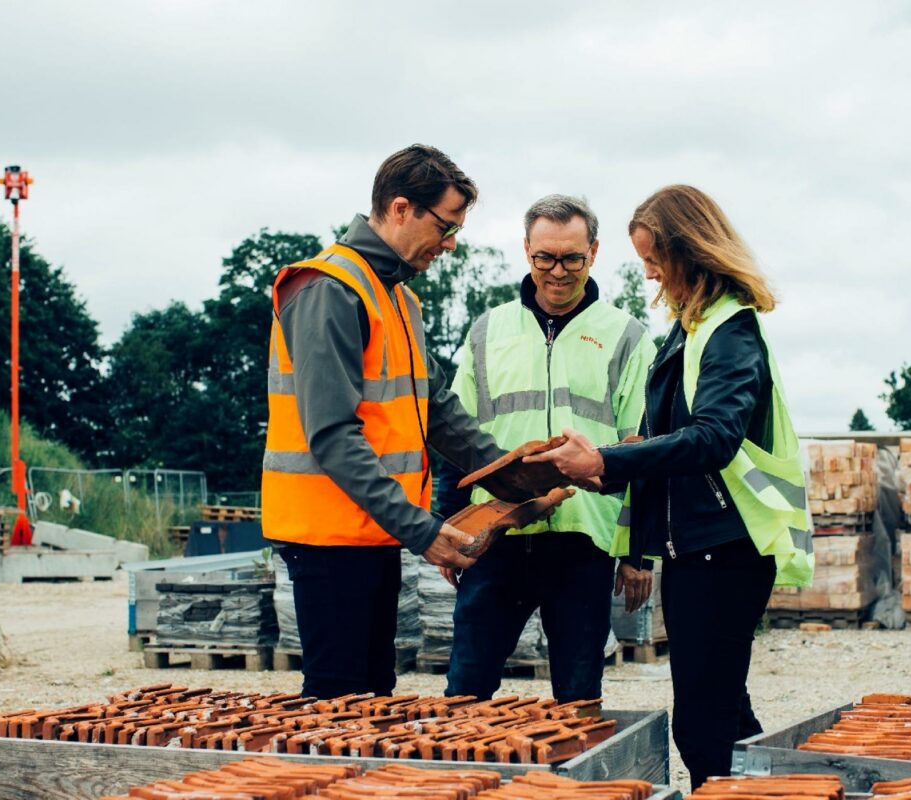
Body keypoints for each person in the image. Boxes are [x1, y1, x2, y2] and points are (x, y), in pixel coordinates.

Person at [527, 185, 814, 788]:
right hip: (701, 549)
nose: (650, 272)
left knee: (703, 728)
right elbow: (667, 439)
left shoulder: (730, 330)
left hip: (728, 547)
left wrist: (607, 460)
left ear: (690, 249)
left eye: (654, 258)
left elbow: (713, 438)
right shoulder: (692, 328)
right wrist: (610, 467)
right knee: (727, 714)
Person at [262, 144, 541, 700]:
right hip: (327, 537)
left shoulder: (396, 297)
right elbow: (332, 436)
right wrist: (423, 530)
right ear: (399, 208)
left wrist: (514, 474)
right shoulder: (328, 289)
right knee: (339, 703)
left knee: (371, 695)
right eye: (444, 225)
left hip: (371, 532)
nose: (451, 243)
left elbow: (435, 407)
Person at [434, 194, 657, 703]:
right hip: (495, 537)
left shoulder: (627, 336)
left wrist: (637, 552)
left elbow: (643, 449)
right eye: (545, 258)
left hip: (583, 541)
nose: (557, 272)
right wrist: (449, 523)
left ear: (594, 253)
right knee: (466, 691)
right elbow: (454, 435)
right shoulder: (487, 332)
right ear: (526, 250)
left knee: (578, 697)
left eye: (572, 258)